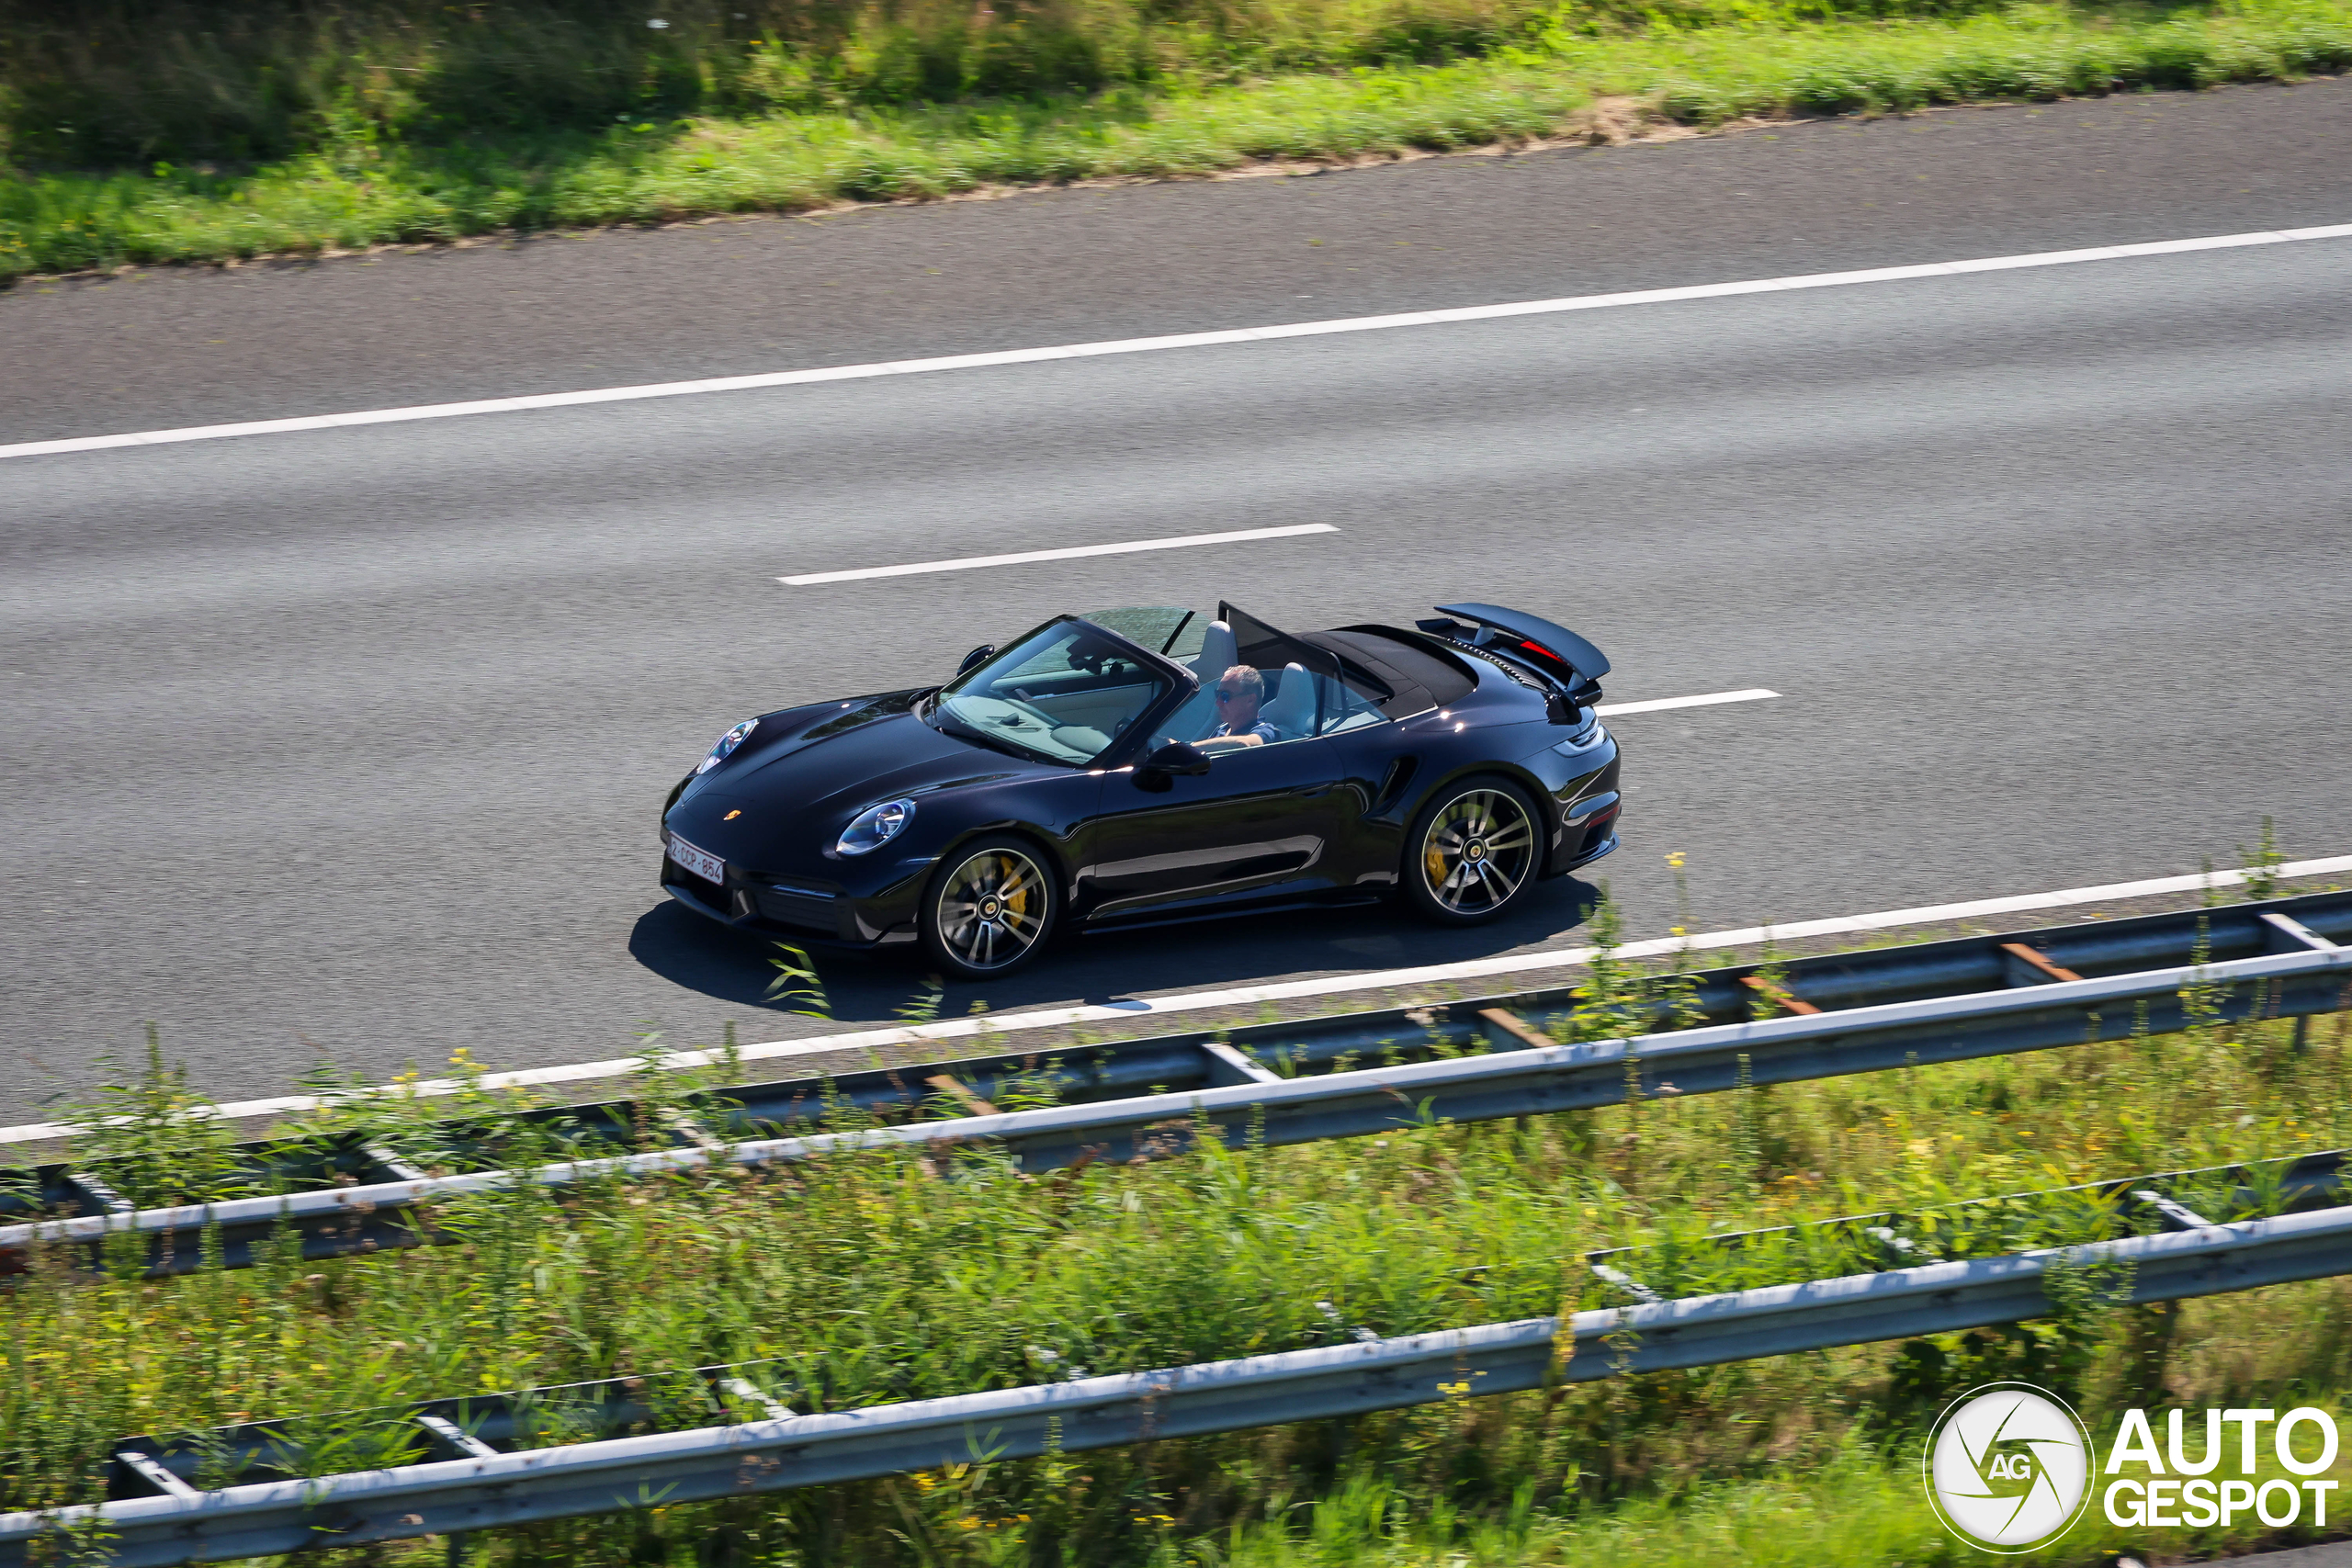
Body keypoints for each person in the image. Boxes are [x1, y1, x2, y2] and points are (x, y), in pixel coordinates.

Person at [1197, 665, 1279, 751]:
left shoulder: (1265, 731)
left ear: (1250, 700)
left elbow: (1244, 744)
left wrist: (1192, 748)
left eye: (1225, 696)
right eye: (1217, 694)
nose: (1218, 703)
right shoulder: (1222, 728)